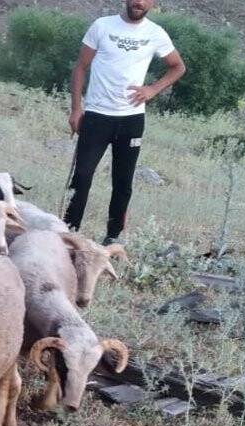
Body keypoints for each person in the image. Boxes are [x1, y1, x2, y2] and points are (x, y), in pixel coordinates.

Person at [65, 0, 185, 244]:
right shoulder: (102, 26)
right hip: (97, 115)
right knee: (83, 176)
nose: (138, 2)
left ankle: (112, 238)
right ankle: (69, 232)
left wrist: (153, 89)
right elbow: (80, 68)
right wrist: (76, 109)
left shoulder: (155, 33)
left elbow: (177, 67)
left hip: (131, 119)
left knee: (122, 182)